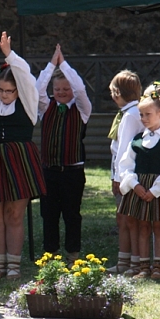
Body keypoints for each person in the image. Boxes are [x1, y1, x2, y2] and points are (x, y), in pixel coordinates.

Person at [0, 31, 47, 280]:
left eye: (9, 91)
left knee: (14, 213)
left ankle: (13, 265)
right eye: (1, 90)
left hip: (19, 158)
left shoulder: (27, 103)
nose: (4, 95)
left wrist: (9, 55)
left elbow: (25, 77)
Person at [36, 44, 92, 262]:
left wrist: (64, 64)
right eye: (57, 89)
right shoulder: (45, 107)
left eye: (65, 89)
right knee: (48, 215)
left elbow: (80, 89)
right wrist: (52, 65)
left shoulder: (82, 109)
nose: (61, 93)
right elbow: (38, 89)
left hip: (72, 171)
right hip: (49, 171)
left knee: (71, 214)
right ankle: (50, 253)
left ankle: (73, 252)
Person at [118, 84, 160, 280]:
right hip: (140, 188)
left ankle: (158, 265)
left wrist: (156, 190)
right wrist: (135, 185)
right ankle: (143, 266)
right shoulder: (136, 140)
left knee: (159, 225)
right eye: (141, 115)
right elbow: (125, 164)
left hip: (157, 187)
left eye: (147, 114)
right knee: (142, 225)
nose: (143, 119)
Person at [106, 70, 144, 274]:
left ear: (117, 93)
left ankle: (135, 261)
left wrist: (118, 178)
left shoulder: (130, 116)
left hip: (127, 174)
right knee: (122, 218)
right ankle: (124, 260)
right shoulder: (129, 112)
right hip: (125, 172)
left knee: (129, 218)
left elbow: (124, 150)